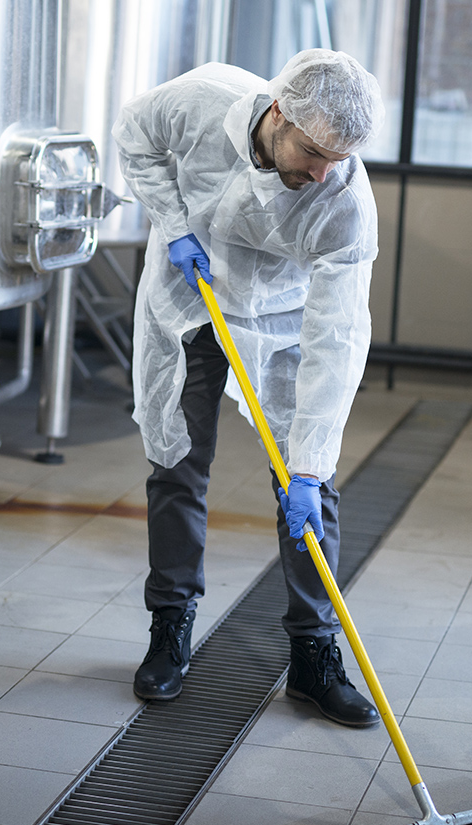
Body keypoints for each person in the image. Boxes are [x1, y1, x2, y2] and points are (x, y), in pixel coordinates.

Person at [112, 49, 384, 728]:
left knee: (311, 490)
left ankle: (314, 657)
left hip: (287, 324)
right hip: (192, 299)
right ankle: (169, 629)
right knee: (176, 463)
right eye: (315, 151)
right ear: (279, 112)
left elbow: (337, 340)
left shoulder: (343, 199)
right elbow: (134, 135)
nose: (323, 172)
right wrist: (174, 227)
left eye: (338, 158)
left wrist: (308, 463)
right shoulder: (200, 103)